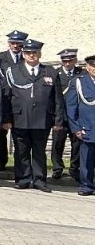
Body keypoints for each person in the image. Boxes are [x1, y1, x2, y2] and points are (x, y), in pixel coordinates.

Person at [5, 39, 56, 191]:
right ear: (23, 54)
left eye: (34, 53)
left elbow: (57, 98)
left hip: (42, 119)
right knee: (21, 151)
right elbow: (7, 97)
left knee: (40, 151)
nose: (31, 55)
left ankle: (39, 180)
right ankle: (23, 178)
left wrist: (58, 119)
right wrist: (6, 119)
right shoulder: (13, 71)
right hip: (19, 117)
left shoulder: (50, 72)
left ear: (39, 54)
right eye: (28, 53)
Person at [0, 30, 27, 170]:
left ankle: (21, 162)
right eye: (13, 43)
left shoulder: (27, 57)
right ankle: (1, 161)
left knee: (20, 133)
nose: (15, 46)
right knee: (1, 131)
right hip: (4, 97)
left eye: (18, 44)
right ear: (8, 44)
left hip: (21, 98)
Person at [64, 54, 95, 196]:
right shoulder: (79, 82)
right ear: (87, 67)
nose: (94, 69)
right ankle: (86, 186)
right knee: (86, 160)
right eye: (92, 66)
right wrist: (76, 128)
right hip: (87, 128)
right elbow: (71, 107)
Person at [51, 48, 81, 181]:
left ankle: (74, 168)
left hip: (76, 116)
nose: (67, 63)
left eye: (70, 60)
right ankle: (57, 168)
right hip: (60, 115)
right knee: (58, 143)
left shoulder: (82, 73)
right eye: (65, 61)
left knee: (77, 144)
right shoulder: (55, 73)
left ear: (75, 60)